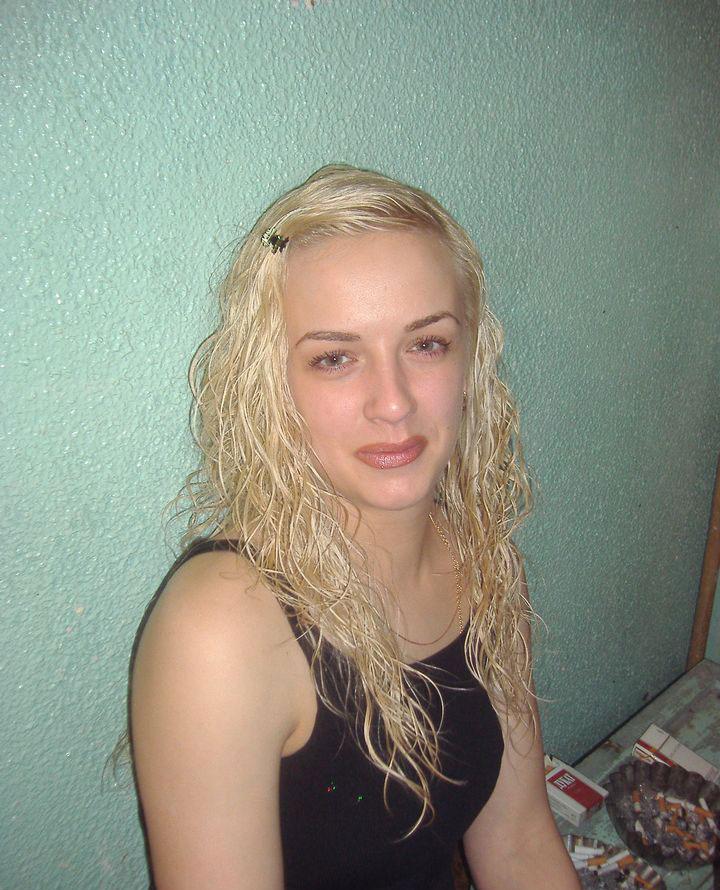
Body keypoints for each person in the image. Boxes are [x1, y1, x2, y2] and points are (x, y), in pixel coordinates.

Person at [129, 164, 580, 890]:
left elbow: (521, 842)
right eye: (335, 358)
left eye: (426, 344)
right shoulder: (221, 630)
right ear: (272, 384)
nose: (393, 402)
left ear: (470, 360)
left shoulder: (486, 565)